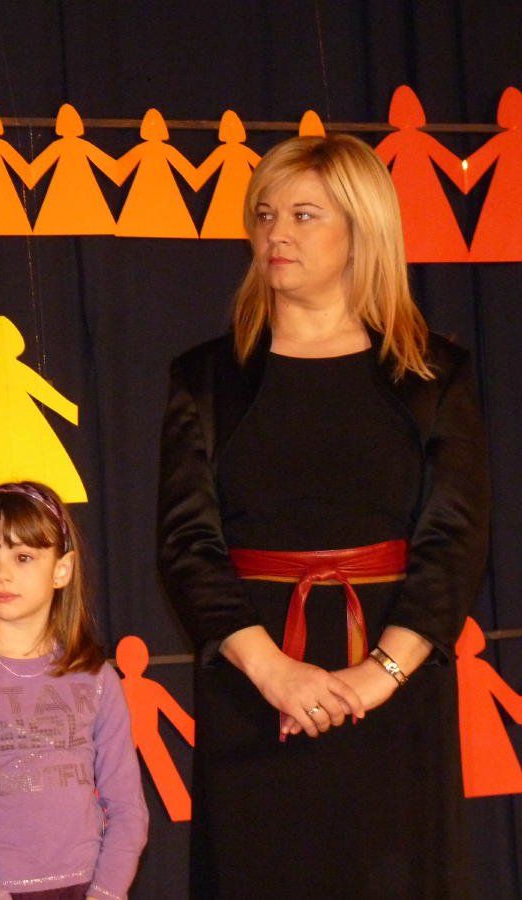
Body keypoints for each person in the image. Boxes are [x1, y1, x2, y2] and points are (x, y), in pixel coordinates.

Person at [157, 134, 490, 898]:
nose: (277, 233)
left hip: (395, 692)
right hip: (253, 692)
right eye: (266, 214)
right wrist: (272, 671)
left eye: (304, 215)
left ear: (360, 231)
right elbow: (186, 544)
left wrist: (378, 676)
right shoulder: (205, 378)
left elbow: (456, 540)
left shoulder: (432, 376)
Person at [0, 481, 148, 900]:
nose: (1, 573)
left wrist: (105, 893)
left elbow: (128, 809)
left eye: (22, 557)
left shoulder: (96, 677)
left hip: (83, 887)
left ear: (62, 569)